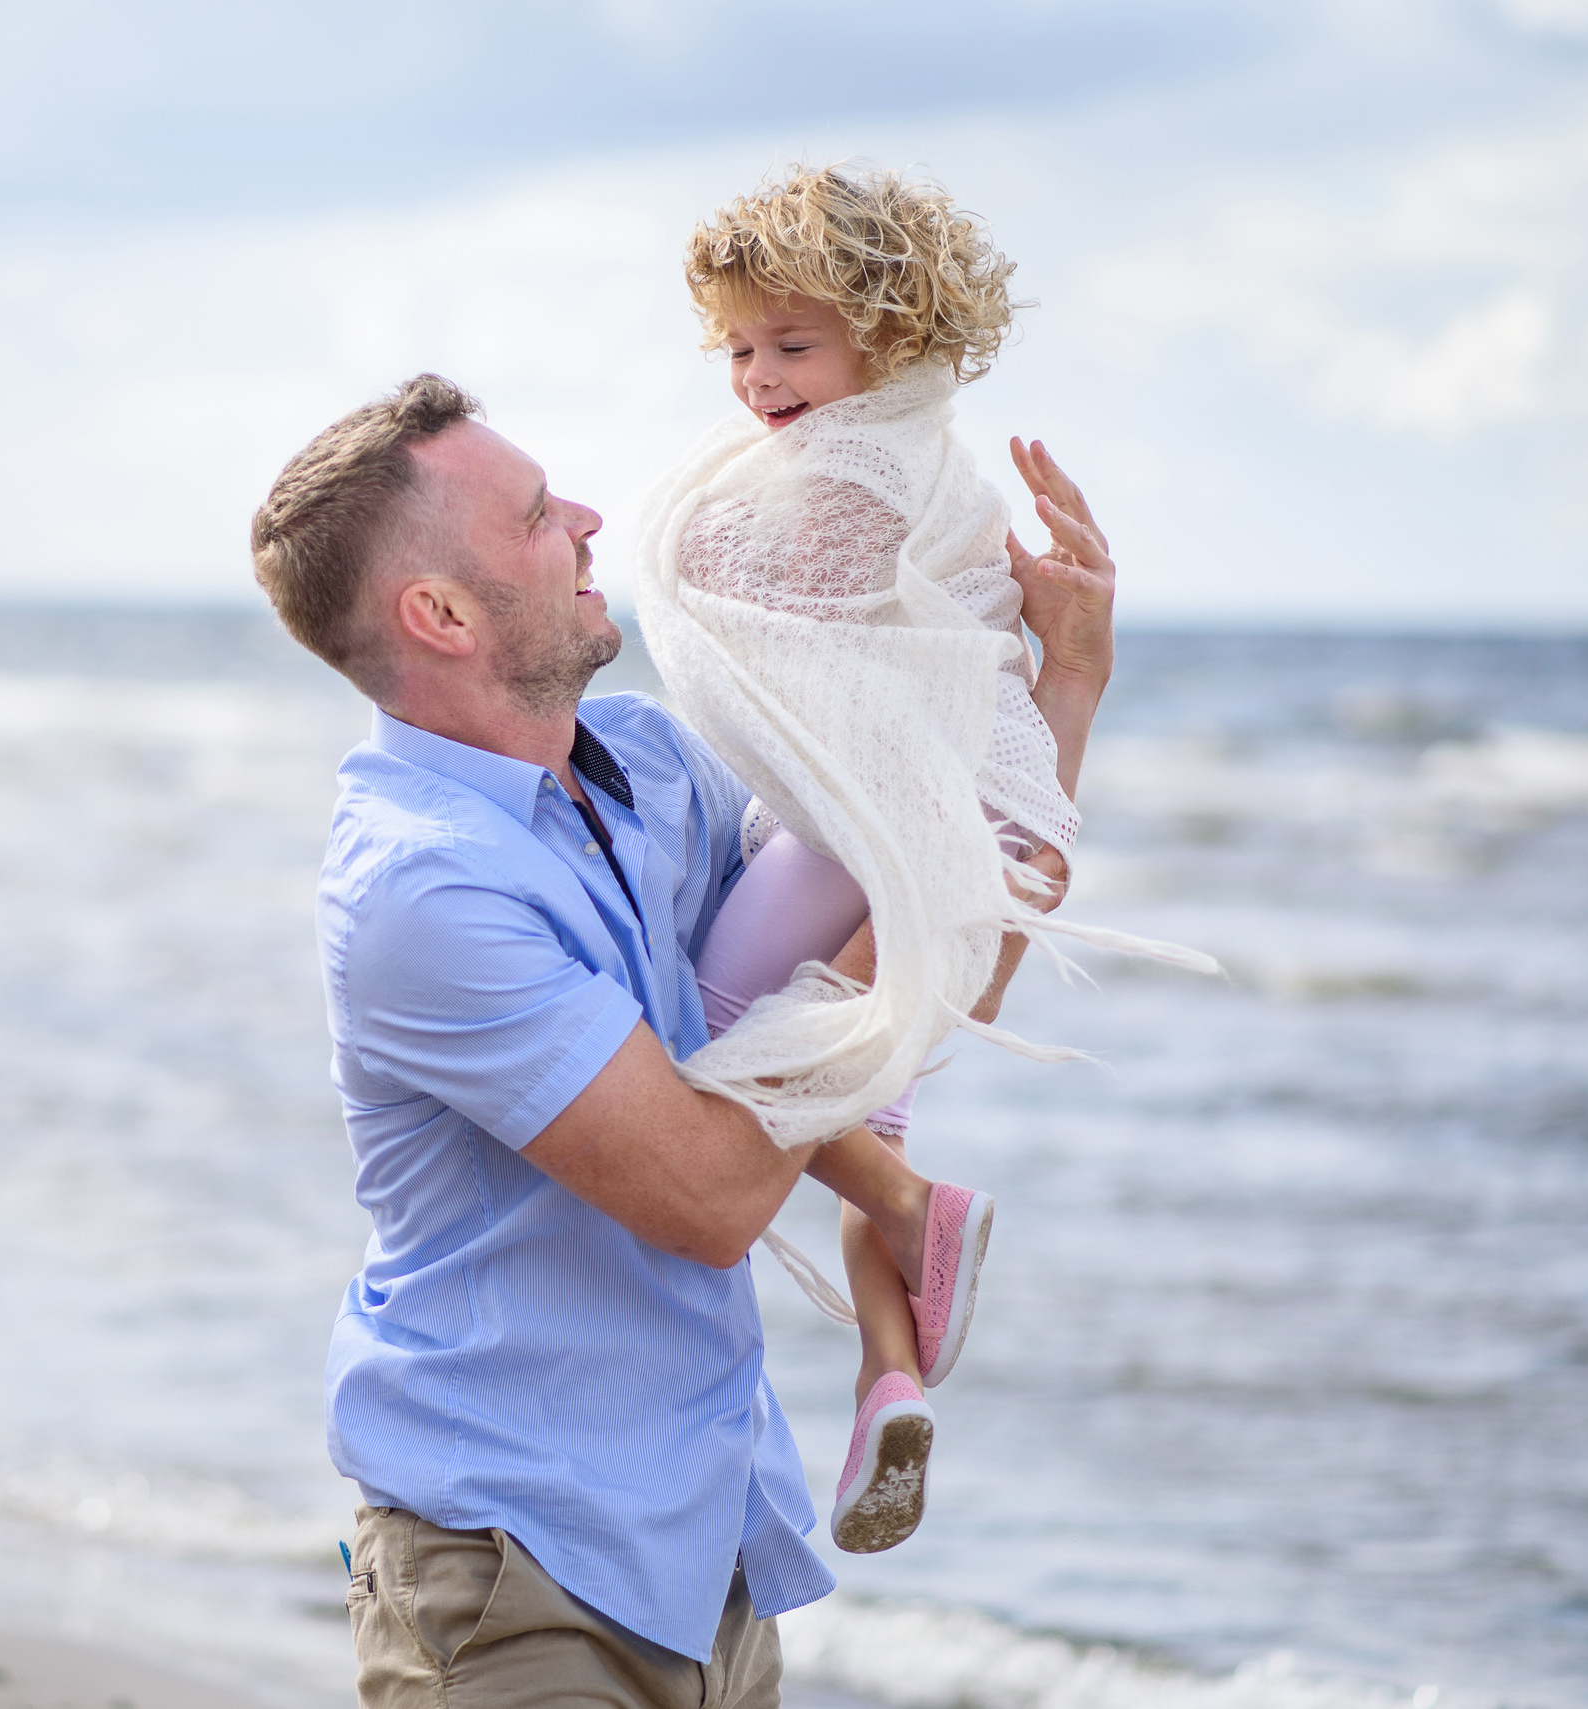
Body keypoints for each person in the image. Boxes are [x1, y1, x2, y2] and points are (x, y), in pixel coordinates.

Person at [248, 365, 1124, 1705]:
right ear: (441, 614)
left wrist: (1064, 687)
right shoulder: (422, 890)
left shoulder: (652, 765)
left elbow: (946, 987)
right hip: (512, 1572)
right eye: (536, 514)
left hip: (707, 1558)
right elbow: (712, 1198)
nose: (588, 520)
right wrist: (896, 926)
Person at [632, 163, 1216, 1556]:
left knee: (716, 1041)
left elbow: (800, 635)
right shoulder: (931, 461)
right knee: (864, 1100)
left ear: (888, 339)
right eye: (737, 350)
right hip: (928, 818)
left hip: (869, 825)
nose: (757, 380)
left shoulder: (854, 471)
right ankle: (886, 1382)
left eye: (791, 345)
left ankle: (917, 1209)